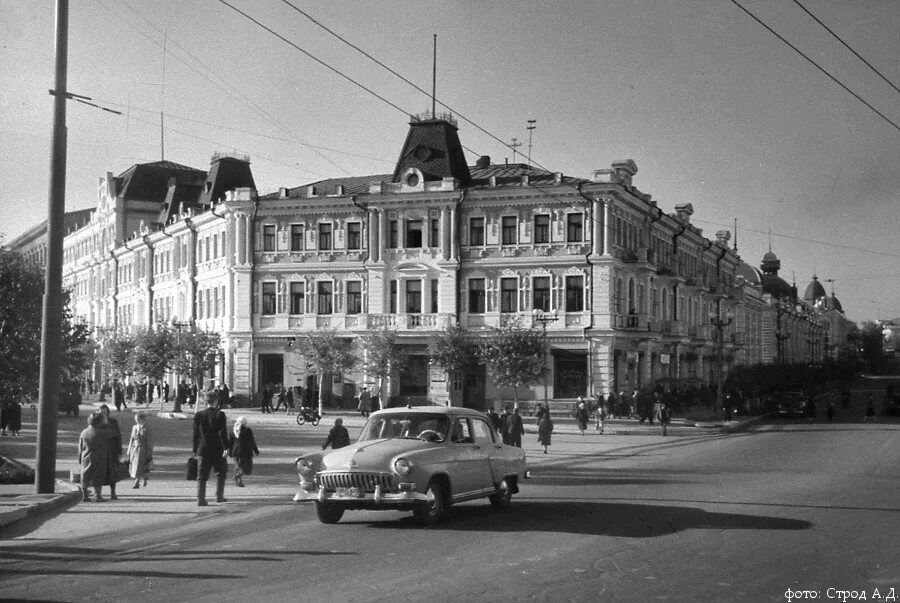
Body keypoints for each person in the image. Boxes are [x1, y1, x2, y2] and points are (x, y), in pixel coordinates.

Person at [192, 392, 230, 506]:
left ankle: (200, 498)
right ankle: (219, 496)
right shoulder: (220, 415)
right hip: (217, 449)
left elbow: (196, 435)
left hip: (203, 449)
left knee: (201, 476)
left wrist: (195, 450)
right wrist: (226, 448)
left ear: (206, 401)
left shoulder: (198, 415)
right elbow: (222, 433)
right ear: (216, 401)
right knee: (221, 473)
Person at [78, 412, 111, 502]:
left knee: (85, 476)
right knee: (98, 476)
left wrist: (79, 458)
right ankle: (98, 495)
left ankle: (85, 496)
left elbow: (80, 447)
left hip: (85, 457)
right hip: (99, 457)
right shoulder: (103, 432)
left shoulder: (84, 432)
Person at [98, 404, 122, 500]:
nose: (103, 414)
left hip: (112, 450)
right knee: (99, 472)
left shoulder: (113, 422)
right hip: (99, 451)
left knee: (112, 472)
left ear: (108, 412)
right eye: (101, 412)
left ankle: (113, 492)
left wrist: (119, 451)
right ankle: (98, 494)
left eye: (105, 412)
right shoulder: (96, 422)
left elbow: (118, 436)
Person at [228, 416, 259, 488]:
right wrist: (256, 451)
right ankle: (238, 476)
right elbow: (252, 441)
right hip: (246, 451)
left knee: (238, 466)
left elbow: (230, 443)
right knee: (247, 468)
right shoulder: (247, 430)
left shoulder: (232, 430)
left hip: (235, 451)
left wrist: (229, 452)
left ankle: (239, 480)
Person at [126, 412, 153, 489]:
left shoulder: (147, 428)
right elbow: (132, 439)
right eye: (136, 419)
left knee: (140, 466)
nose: (136, 421)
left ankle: (137, 482)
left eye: (138, 419)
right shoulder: (134, 427)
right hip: (135, 449)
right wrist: (129, 450)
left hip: (143, 449)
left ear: (142, 419)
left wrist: (149, 451)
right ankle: (144, 478)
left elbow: (150, 441)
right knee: (135, 466)